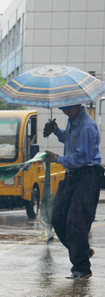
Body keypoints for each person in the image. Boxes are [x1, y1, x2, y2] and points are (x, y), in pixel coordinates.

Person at [43, 104, 101, 279]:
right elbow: (69, 140)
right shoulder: (72, 121)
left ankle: (82, 268)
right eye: (63, 108)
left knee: (76, 221)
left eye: (68, 108)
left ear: (78, 104)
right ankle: (83, 250)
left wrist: (57, 159)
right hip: (72, 175)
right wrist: (56, 131)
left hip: (88, 175)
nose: (65, 111)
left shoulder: (87, 127)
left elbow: (82, 158)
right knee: (57, 218)